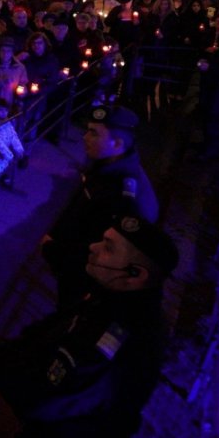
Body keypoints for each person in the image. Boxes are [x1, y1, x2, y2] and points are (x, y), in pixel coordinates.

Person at [0, 216, 178, 438]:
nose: (93, 246)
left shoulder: (118, 338)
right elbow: (58, 326)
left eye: (108, 248)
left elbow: (45, 400)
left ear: (135, 275)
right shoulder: (118, 297)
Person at [41, 106, 158, 306]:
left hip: (81, 274)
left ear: (117, 143)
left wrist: (53, 251)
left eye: (94, 133)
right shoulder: (109, 164)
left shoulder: (124, 197)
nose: (85, 137)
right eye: (87, 130)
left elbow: (101, 248)